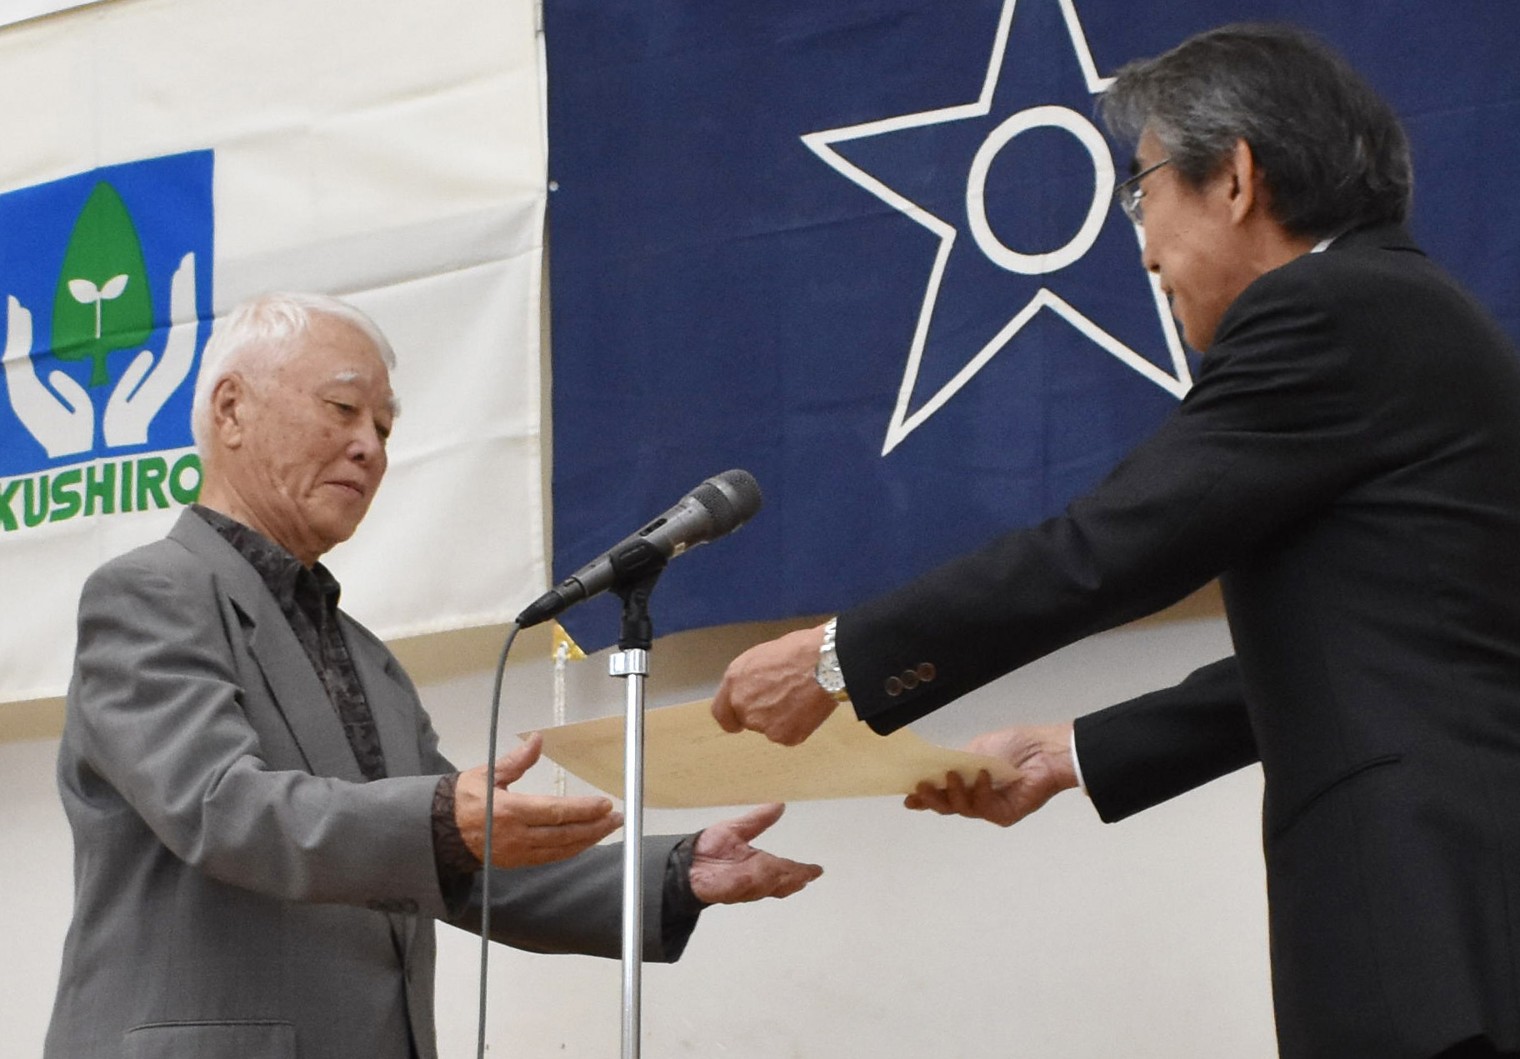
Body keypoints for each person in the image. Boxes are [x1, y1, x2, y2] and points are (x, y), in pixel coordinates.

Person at [711, 23, 1520, 1059]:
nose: (1141, 249)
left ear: (1235, 179)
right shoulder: (1407, 311)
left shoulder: (1329, 308)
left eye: (1141, 191)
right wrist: (1073, 752)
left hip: (1431, 916)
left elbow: (1109, 545)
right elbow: (1363, 652)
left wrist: (836, 660)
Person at [44, 292, 822, 1059]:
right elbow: (222, 807)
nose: (370, 447)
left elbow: (464, 866)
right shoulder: (148, 592)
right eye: (343, 408)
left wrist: (678, 873)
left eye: (384, 427)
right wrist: (446, 820)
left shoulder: (368, 658)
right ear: (231, 409)